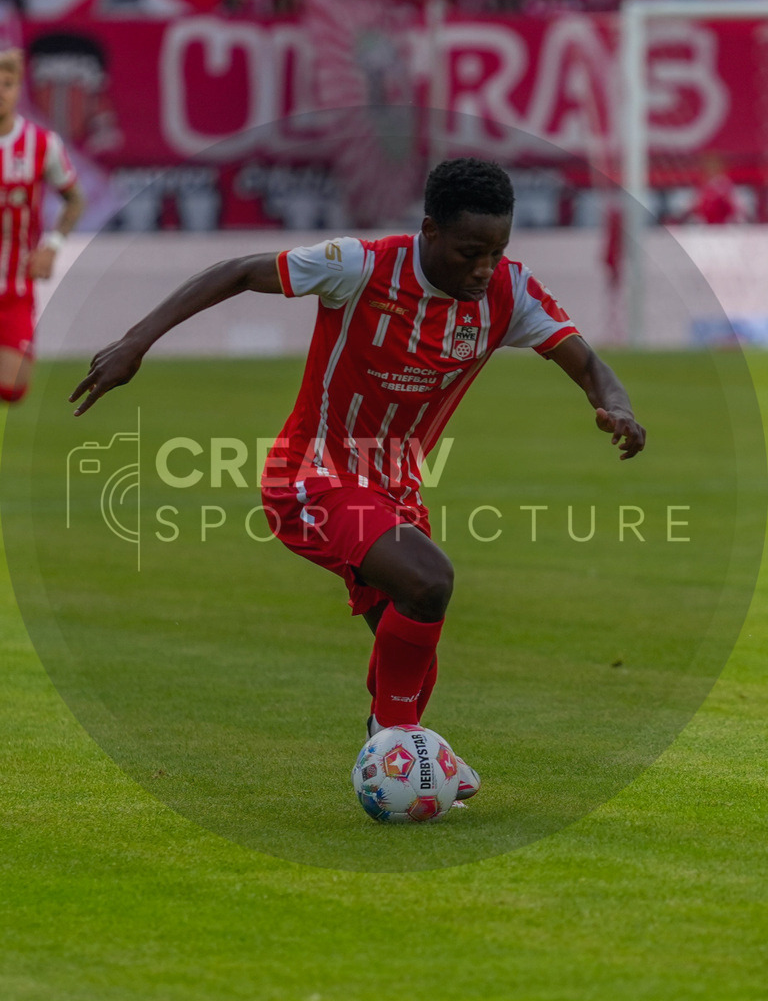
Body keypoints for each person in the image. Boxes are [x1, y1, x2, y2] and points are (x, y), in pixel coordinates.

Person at [70, 157, 645, 801]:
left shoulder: (508, 293)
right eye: (469, 251)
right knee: (430, 582)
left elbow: (590, 363)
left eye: (497, 250)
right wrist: (134, 343)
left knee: (413, 648)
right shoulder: (359, 265)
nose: (484, 267)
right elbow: (237, 271)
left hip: (395, 488)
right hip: (311, 476)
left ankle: (403, 749)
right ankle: (397, 748)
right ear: (429, 231)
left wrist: (616, 404)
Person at [0, 48, 85, 404]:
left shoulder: (41, 143)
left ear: (19, 89)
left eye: (7, 84)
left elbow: (75, 200)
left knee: (13, 388)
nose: (0, 93)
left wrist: (52, 245)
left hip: (16, 288)